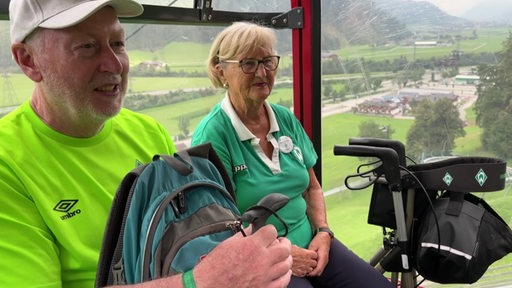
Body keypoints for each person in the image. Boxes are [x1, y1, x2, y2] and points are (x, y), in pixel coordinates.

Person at [0, 1, 292, 287]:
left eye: (118, 44)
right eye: (87, 47)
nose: (114, 64)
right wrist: (204, 281)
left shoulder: (148, 133)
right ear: (28, 60)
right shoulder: (8, 162)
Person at [191, 21, 393, 288]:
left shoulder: (284, 118)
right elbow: (216, 227)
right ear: (222, 71)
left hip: (311, 241)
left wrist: (323, 232)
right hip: (259, 260)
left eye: (267, 61)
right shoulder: (213, 135)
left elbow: (312, 188)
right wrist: (283, 253)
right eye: (248, 63)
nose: (262, 72)